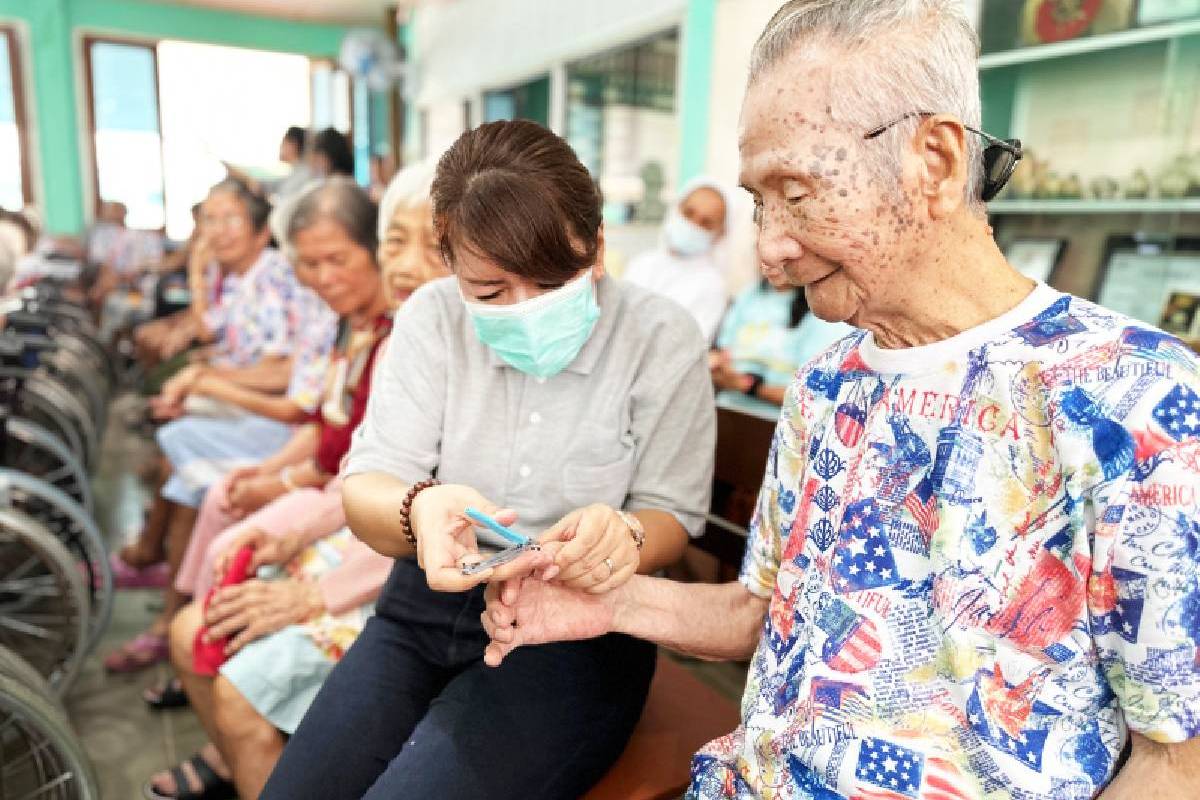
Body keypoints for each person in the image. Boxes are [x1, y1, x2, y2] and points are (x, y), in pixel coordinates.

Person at [480, 3, 1200, 799]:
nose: (770, 247)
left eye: (797, 190)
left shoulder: (1135, 399)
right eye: (761, 200)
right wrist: (604, 601)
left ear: (933, 159)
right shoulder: (827, 383)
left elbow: (1178, 762)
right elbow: (764, 614)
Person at [260, 119, 715, 800]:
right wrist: (419, 510)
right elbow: (369, 484)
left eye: (551, 279)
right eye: (492, 292)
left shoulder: (659, 338)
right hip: (421, 610)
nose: (526, 310)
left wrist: (620, 538)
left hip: (577, 629)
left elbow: (671, 512)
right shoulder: (430, 318)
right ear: (449, 262)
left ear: (595, 247)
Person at [144, 173, 430, 800]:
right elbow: (343, 450)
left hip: (404, 571)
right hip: (359, 530)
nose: (408, 268)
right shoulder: (373, 335)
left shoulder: (410, 343)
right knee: (207, 604)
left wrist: (312, 583)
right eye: (397, 245)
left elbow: (412, 508)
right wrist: (287, 487)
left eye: (433, 248)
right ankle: (235, 751)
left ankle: (248, 741)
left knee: (221, 639)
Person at [104, 178, 337, 673]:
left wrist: (208, 381)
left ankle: (170, 599)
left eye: (230, 219)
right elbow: (220, 333)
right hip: (287, 423)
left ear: (262, 233)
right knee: (185, 451)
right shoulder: (246, 277)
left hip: (286, 426)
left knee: (190, 461)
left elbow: (291, 387)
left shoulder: (282, 279)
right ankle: (169, 588)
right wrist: (195, 269)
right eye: (209, 220)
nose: (217, 231)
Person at [710, 276, 851, 419]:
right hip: (726, 409)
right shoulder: (751, 292)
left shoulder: (825, 313)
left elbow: (813, 398)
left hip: (777, 423)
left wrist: (750, 387)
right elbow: (722, 353)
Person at [623, 176, 733, 343]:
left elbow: (686, 347)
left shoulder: (712, 286)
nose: (692, 225)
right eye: (688, 213)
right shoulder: (641, 263)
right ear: (677, 208)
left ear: (720, 233)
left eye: (706, 223)